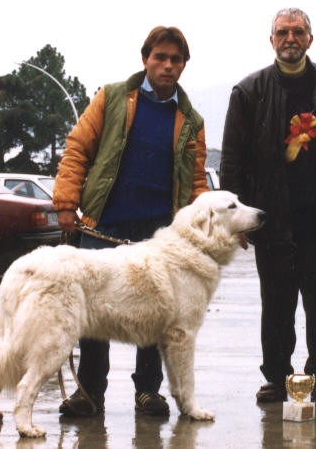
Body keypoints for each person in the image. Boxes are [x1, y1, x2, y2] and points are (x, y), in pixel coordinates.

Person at [52, 26, 209, 417]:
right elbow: (77, 149)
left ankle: (148, 392)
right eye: (161, 57)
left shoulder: (191, 119)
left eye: (176, 60)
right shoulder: (112, 98)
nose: (168, 65)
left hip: (160, 235)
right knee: (92, 315)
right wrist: (67, 202)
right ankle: (89, 392)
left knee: (155, 316)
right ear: (145, 59)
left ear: (184, 66)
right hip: (103, 225)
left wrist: (217, 225)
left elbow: (196, 183)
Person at [220, 7, 316, 405]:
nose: (290, 38)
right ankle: (276, 376)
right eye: (282, 32)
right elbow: (232, 160)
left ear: (310, 39)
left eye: (297, 32)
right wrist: (235, 220)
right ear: (271, 41)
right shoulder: (247, 92)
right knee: (276, 305)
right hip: (271, 219)